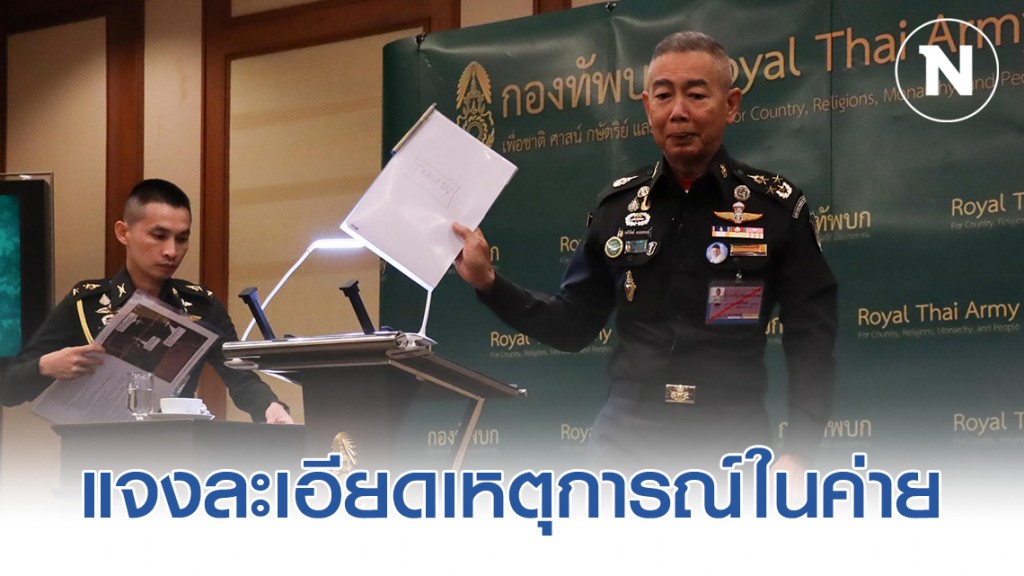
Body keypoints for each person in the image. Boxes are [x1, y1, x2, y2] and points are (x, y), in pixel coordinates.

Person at [453, 31, 836, 471]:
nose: (678, 111)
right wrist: (488, 282)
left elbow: (811, 339)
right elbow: (572, 326)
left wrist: (800, 451)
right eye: (664, 95)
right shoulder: (617, 207)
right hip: (626, 437)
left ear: (731, 105)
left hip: (732, 434)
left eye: (696, 95)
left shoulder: (777, 208)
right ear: (647, 106)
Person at [1, 179, 293, 423]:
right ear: (123, 233)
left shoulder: (202, 306)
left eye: (181, 239)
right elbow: (8, 388)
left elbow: (241, 379)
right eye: (159, 235)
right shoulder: (85, 303)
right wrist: (44, 366)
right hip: (95, 456)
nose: (171, 251)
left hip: (175, 452)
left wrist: (272, 408)